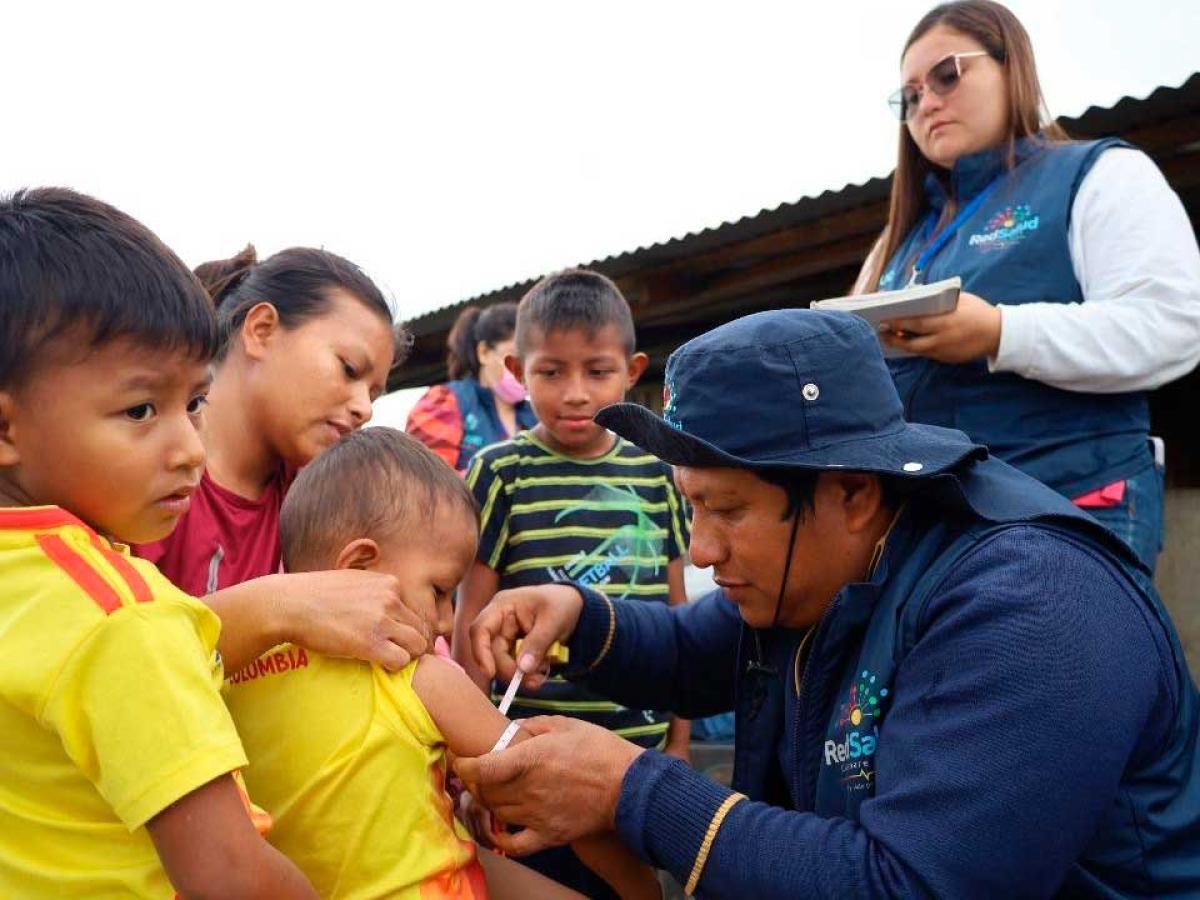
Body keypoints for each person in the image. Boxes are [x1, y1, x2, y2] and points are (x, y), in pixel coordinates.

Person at [457, 308, 1200, 898]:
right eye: (694, 509)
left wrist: (630, 790)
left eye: (729, 510)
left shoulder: (1027, 607)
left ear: (850, 491)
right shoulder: (822, 572)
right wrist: (577, 616)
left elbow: (913, 885)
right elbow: (690, 653)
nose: (705, 551)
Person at [0, 187, 316, 897]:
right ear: (5, 430)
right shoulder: (125, 618)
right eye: (141, 409)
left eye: (194, 402)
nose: (189, 449)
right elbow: (230, 880)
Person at [224, 427, 660, 900]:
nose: (446, 620)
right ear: (357, 569)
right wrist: (640, 888)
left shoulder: (234, 672)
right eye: (439, 592)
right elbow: (546, 783)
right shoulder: (415, 675)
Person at [851, 0, 1200, 572]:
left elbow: (1174, 324)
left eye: (947, 74)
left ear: (1011, 67)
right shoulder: (896, 240)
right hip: (924, 527)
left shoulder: (1100, 175)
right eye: (909, 97)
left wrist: (998, 332)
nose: (927, 103)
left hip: (1066, 507)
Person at [453, 269, 690, 897]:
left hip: (639, 756)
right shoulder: (500, 474)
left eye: (598, 370)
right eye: (551, 372)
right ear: (516, 369)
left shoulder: (657, 470)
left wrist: (681, 743)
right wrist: (475, 753)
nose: (576, 393)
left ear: (632, 370)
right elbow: (468, 618)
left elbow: (677, 609)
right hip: (539, 759)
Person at [135, 243, 433, 678]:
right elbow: (104, 652)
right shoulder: (140, 464)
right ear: (261, 330)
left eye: (373, 393)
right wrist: (279, 607)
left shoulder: (318, 501)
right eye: (349, 369)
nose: (364, 408)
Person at [407, 303, 538, 473]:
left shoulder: (534, 416)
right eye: (515, 356)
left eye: (531, 359)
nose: (523, 368)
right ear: (483, 352)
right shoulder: (446, 401)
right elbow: (425, 480)